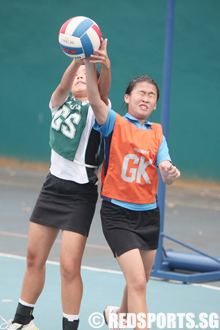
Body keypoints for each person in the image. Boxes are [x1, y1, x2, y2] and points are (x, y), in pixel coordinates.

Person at [7, 39, 111, 330]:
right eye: (77, 74)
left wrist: (100, 65)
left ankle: (70, 327)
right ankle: (22, 321)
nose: (80, 77)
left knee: (68, 267)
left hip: (80, 194)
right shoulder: (59, 104)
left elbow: (99, 92)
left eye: (85, 76)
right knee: (32, 258)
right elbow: (64, 85)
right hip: (52, 187)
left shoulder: (96, 109)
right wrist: (78, 60)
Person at [84, 58, 180, 330]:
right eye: (141, 93)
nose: (146, 98)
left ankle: (118, 315)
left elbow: (165, 171)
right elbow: (94, 97)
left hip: (149, 215)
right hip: (117, 214)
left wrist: (168, 172)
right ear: (127, 98)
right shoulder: (113, 123)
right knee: (138, 282)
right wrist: (93, 63)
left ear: (155, 104)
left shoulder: (157, 133)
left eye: (152, 95)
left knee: (140, 281)